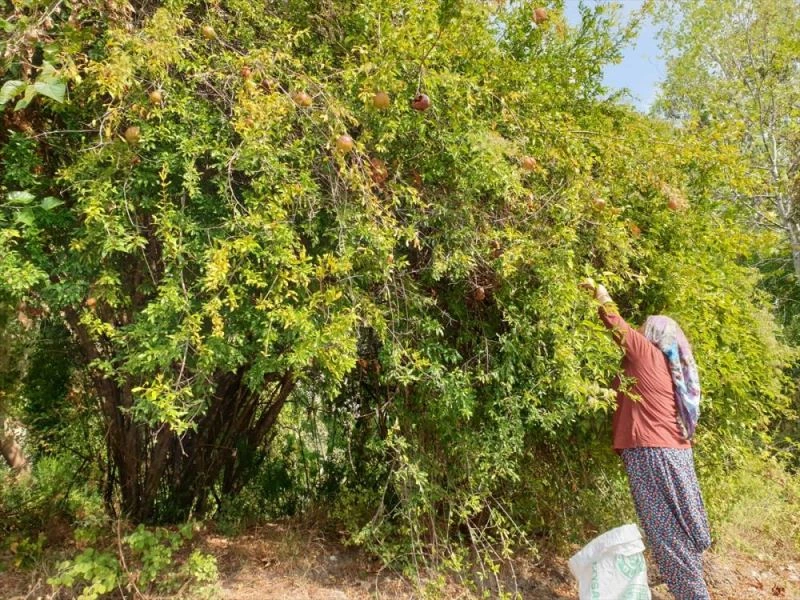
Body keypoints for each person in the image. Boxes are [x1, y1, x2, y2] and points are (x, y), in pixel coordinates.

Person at [581, 278, 712, 600]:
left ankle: (694, 596)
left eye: (644, 328)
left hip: (650, 453)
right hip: (676, 453)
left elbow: (615, 324)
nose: (639, 332)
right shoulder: (669, 369)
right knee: (685, 530)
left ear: (653, 336)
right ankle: (694, 589)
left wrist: (600, 293)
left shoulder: (646, 355)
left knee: (665, 534)